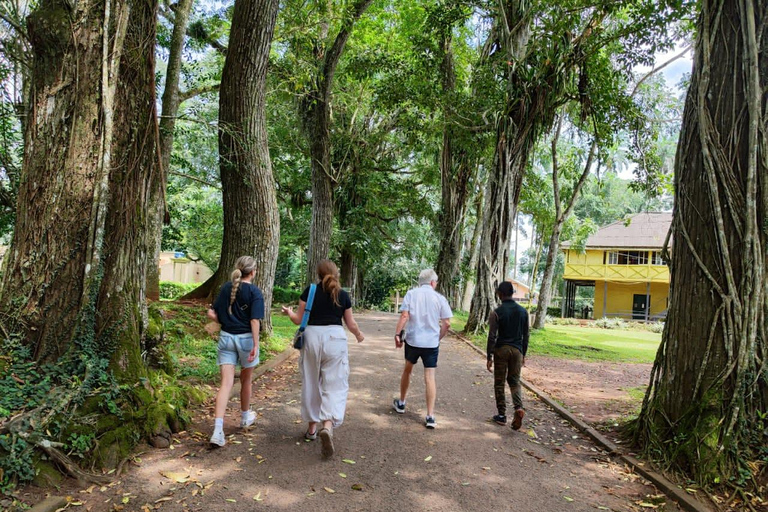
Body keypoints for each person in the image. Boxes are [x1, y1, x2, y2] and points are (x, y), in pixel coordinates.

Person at [281, 259, 364, 459]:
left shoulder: (309, 292)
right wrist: (359, 335)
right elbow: (350, 323)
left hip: (312, 338)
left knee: (312, 382)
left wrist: (290, 312)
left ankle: (311, 430)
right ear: (336, 273)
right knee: (335, 383)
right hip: (335, 338)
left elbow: (299, 320)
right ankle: (327, 426)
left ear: (318, 274)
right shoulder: (342, 295)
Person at [206, 256, 265, 447]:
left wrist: (219, 320)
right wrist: (256, 344)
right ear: (253, 272)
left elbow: (213, 313)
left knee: (226, 384)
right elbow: (254, 320)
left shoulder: (226, 288)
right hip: (247, 339)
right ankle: (245, 417)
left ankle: (217, 431)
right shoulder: (255, 292)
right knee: (246, 379)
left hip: (226, 338)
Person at [392, 269, 452, 429]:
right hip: (431, 344)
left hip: (413, 340)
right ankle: (430, 416)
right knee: (430, 376)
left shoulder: (411, 294)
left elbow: (404, 316)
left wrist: (398, 334)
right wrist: (438, 337)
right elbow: (447, 323)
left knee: (407, 370)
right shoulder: (440, 298)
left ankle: (402, 403)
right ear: (433, 282)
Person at [486, 280, 529, 431]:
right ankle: (518, 407)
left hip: (501, 350)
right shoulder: (523, 312)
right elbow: (526, 335)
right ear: (512, 293)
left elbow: (492, 336)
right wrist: (523, 353)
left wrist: (489, 356)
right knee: (514, 381)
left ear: (500, 294)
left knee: (499, 382)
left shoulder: (497, 312)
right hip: (517, 351)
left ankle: (502, 415)